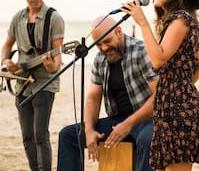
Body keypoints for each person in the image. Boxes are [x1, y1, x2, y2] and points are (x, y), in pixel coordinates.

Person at [123, 0, 199, 171]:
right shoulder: (176, 21)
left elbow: (158, 59)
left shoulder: (180, 20)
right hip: (171, 106)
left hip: (179, 111)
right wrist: (180, 88)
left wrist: (142, 23)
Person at [57, 16, 158, 171]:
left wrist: (128, 124)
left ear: (119, 31)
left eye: (107, 41)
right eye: (98, 44)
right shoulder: (100, 59)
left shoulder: (141, 51)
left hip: (146, 120)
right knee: (68, 135)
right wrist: (89, 130)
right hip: (116, 122)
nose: (104, 47)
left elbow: (159, 97)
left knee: (147, 139)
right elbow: (93, 97)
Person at [1, 0, 65, 171]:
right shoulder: (17, 18)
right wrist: (6, 60)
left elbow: (57, 62)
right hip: (21, 82)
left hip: (45, 82)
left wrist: (50, 65)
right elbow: (6, 45)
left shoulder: (54, 18)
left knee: (40, 134)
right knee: (27, 136)